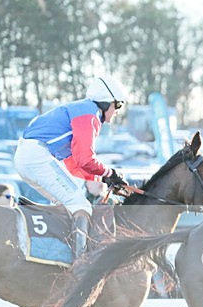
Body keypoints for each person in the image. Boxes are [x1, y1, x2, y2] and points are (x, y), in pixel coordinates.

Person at [14, 75, 130, 257]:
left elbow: (74, 164)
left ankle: (58, 251)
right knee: (79, 203)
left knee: (65, 204)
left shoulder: (82, 110)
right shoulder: (90, 114)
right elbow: (85, 159)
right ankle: (81, 261)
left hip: (27, 156)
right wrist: (110, 172)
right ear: (107, 102)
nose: (117, 111)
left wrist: (101, 177)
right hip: (36, 157)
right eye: (118, 105)